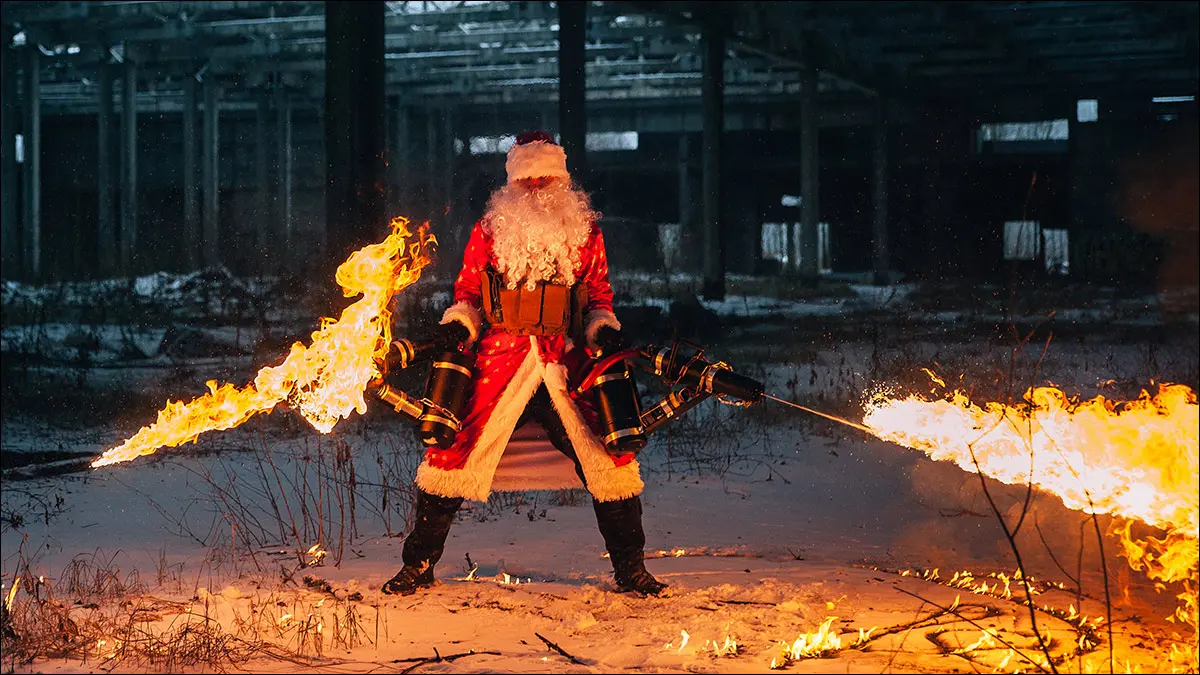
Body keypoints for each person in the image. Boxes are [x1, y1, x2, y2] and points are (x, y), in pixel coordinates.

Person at [382, 131, 667, 597]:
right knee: (451, 451)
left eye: (546, 177)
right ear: (513, 183)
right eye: (527, 178)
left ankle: (631, 570)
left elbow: (598, 296)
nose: (536, 187)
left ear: (562, 179)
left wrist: (603, 327)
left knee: (611, 458)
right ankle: (417, 565)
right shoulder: (489, 231)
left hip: (565, 363)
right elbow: (469, 295)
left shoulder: (588, 234)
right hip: (500, 360)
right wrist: (459, 324)